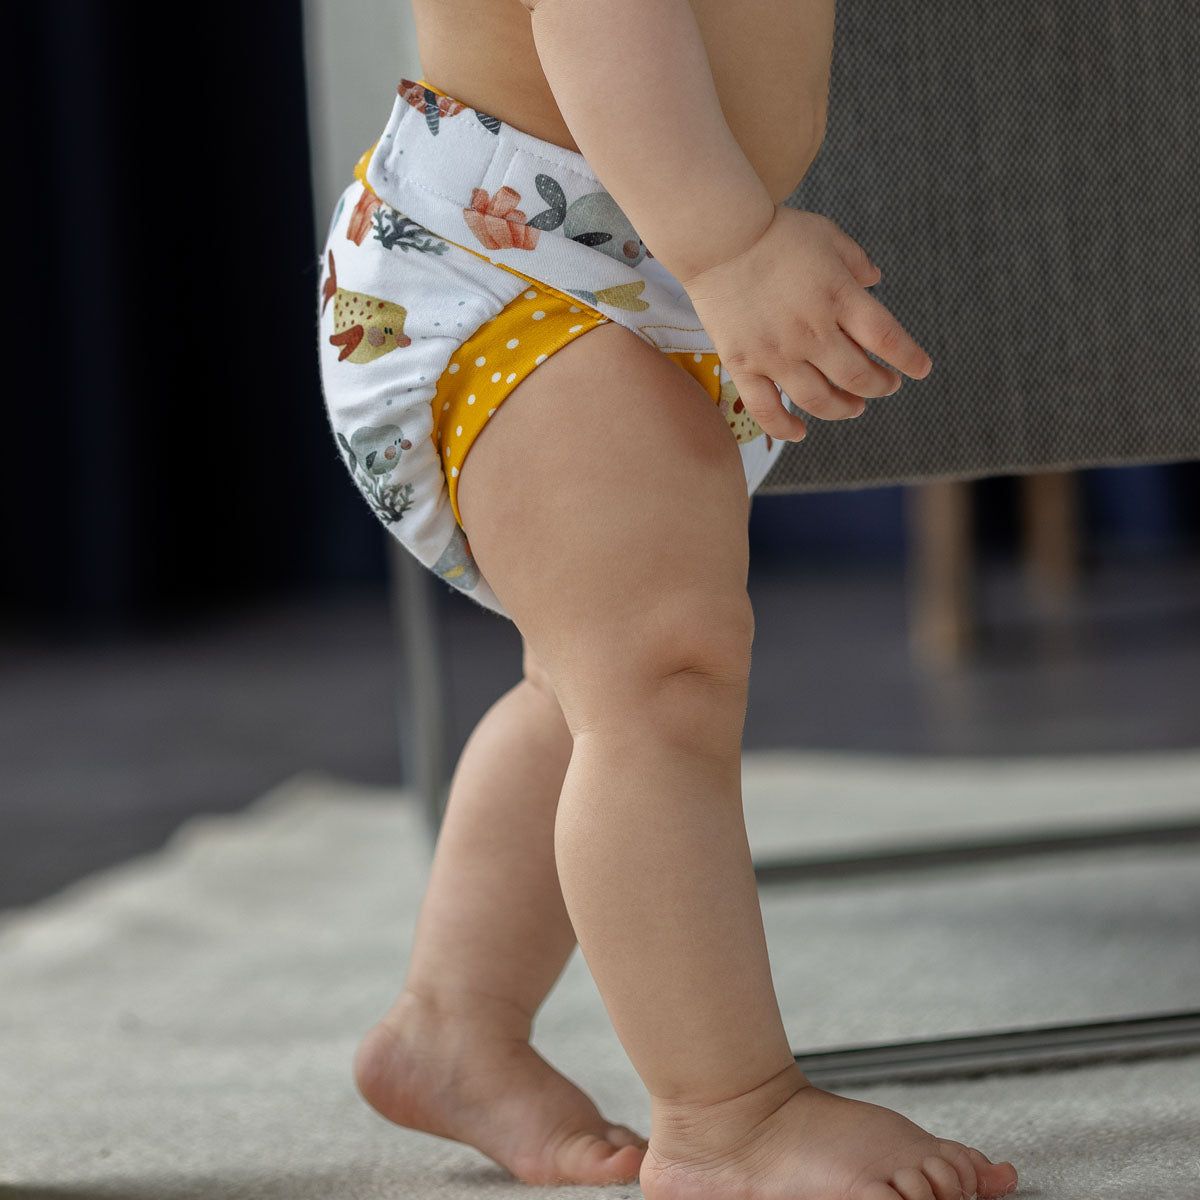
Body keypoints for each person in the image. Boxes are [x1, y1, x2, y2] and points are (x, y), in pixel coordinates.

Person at [317, 1, 1020, 1195]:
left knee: (596, 686)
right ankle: (728, 1116)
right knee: (658, 677)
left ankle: (453, 1025)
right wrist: (732, 250)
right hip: (511, 262)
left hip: (638, 263)